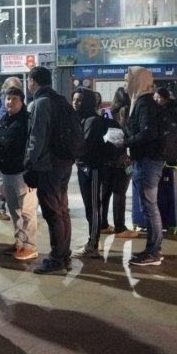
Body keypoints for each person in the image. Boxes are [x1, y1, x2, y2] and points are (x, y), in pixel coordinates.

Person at [24, 66, 74, 274]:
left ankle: (56, 258)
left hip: (48, 165)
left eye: (29, 80)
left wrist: (28, 162)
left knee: (53, 212)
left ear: (33, 82)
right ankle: (64, 253)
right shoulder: (61, 100)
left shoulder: (40, 103)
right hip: (64, 162)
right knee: (62, 210)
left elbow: (37, 138)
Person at [125, 66, 166, 266]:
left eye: (127, 80)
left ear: (137, 82)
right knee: (149, 206)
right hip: (148, 160)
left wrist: (126, 142)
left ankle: (153, 252)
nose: (125, 84)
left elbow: (148, 132)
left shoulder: (144, 103)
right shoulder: (143, 102)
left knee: (149, 207)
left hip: (147, 161)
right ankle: (154, 249)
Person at [0, 87, 38, 261]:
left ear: (22, 101)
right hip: (6, 171)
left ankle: (30, 246)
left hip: (22, 173)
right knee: (14, 210)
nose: (9, 102)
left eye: (13, 99)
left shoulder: (27, 120)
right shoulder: (5, 119)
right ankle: (20, 242)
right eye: (7, 98)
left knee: (27, 211)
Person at [72, 87, 107, 258]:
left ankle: (93, 244)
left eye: (79, 100)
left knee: (93, 207)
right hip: (83, 167)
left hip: (92, 168)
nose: (75, 103)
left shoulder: (92, 120)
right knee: (89, 207)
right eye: (74, 99)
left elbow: (83, 145)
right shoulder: (81, 119)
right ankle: (92, 240)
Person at [0, 77, 25, 221]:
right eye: (11, 89)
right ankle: (0, 208)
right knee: (0, 181)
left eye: (17, 90)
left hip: (16, 154)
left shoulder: (21, 105)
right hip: (0, 151)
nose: (13, 94)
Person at [100, 87, 137, 238]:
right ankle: (120, 227)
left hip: (106, 159)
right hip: (122, 160)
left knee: (105, 193)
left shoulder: (105, 113)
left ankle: (102, 224)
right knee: (119, 194)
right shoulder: (130, 113)